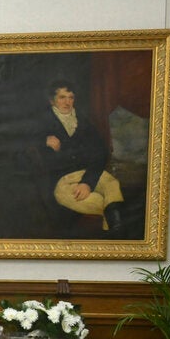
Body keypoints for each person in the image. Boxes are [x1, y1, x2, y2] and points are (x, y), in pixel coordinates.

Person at [36, 79, 129, 234]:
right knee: (100, 201)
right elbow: (16, 141)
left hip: (86, 173)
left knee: (112, 184)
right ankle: (116, 228)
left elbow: (100, 152)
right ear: (52, 101)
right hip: (61, 180)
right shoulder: (42, 121)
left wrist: (87, 182)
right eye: (62, 97)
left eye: (71, 97)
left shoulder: (83, 121)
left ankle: (116, 229)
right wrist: (42, 140)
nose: (67, 102)